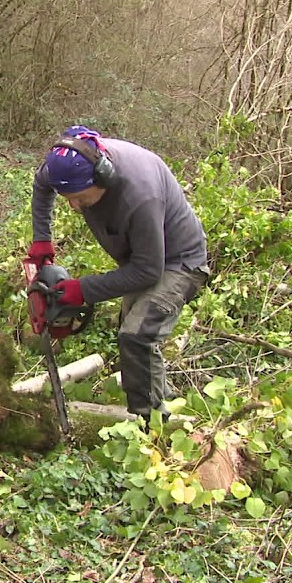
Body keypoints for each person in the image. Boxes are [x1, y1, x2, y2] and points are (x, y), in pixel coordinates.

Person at [26, 126, 209, 423]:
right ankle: (169, 406)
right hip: (140, 257)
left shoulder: (141, 195)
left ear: (103, 177)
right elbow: (41, 184)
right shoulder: (66, 165)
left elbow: (148, 271)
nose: (74, 206)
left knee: (137, 335)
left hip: (179, 262)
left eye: (80, 198)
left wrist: (82, 289)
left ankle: (150, 425)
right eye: (67, 198)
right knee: (134, 336)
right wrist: (42, 238)